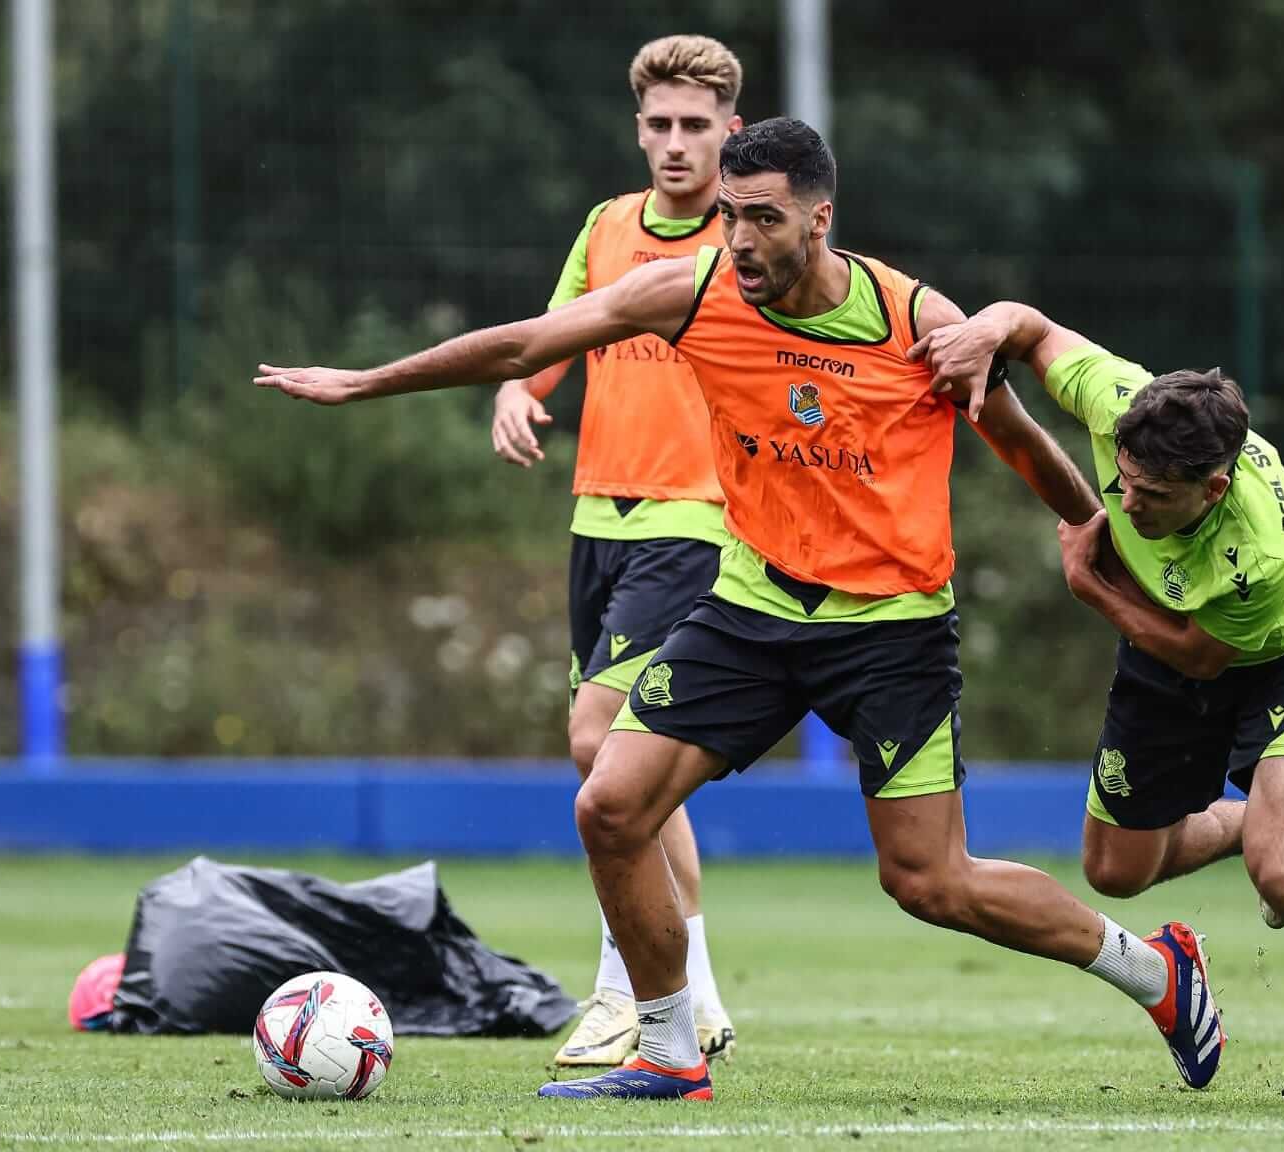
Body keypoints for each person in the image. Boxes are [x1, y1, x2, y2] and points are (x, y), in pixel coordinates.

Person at [256, 118, 1228, 1103]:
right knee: (611, 806)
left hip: (890, 633)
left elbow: (1016, 440)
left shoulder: (913, 320)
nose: (741, 240)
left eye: (762, 218)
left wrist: (1093, 536)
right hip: (751, 611)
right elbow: (527, 342)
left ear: (820, 217)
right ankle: (669, 1050)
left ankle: (1152, 972)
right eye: (728, 216)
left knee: (928, 883)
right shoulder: (691, 292)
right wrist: (368, 382)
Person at [915, 302, 1284, 1110]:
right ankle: (1259, 824)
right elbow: (1029, 328)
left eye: (1155, 497)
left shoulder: (1260, 556)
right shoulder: (1117, 397)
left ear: (1213, 487)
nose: (1128, 506)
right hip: (1164, 654)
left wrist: (1091, 589)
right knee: (1116, 870)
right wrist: (986, 332)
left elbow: (1200, 655)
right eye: (1124, 482)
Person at [487, 33, 745, 1073]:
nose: (676, 144)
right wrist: (516, 391)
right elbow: (550, 338)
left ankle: (625, 996)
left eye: (696, 126)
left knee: (600, 741)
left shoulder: (751, 236)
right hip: (597, 521)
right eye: (659, 125)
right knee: (627, 769)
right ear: (637, 128)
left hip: (696, 522)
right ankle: (699, 998)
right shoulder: (604, 227)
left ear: (731, 129)